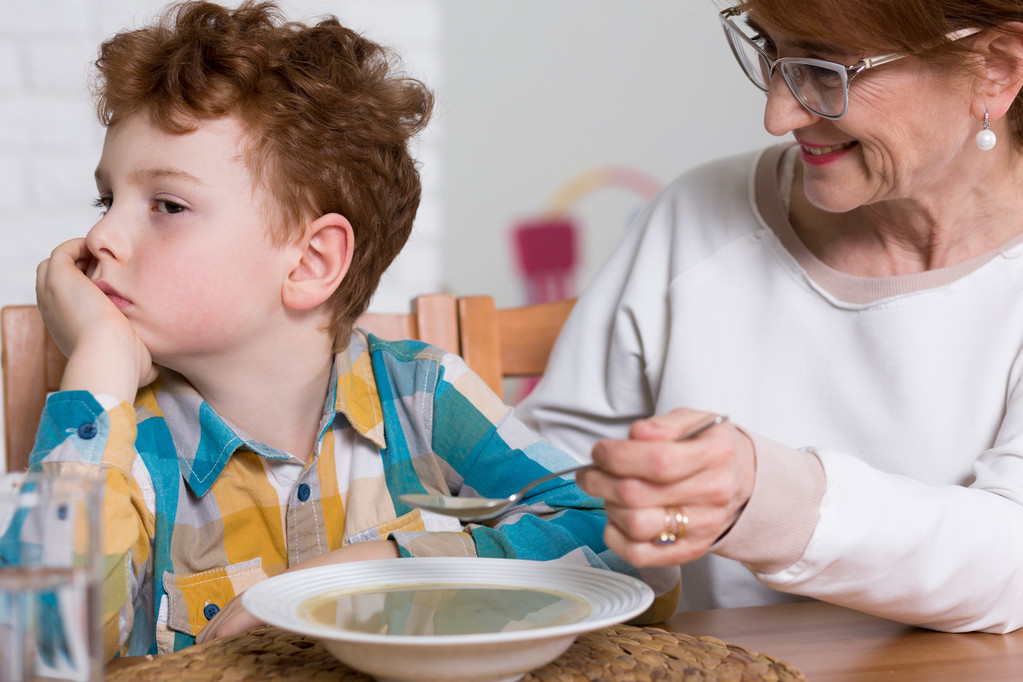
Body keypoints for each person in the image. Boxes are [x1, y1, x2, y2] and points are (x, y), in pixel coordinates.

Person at [30, 0, 679, 659]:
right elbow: (45, 643)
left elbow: (631, 548)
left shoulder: (422, 397)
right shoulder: (127, 440)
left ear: (311, 262)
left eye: (166, 205)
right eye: (106, 200)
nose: (102, 235)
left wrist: (385, 567)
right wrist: (98, 369)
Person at [518, 0, 1023, 634]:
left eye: (826, 68)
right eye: (772, 51)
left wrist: (763, 496)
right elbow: (547, 474)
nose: (777, 114)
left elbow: (1014, 559)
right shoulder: (696, 214)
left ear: (996, 70)